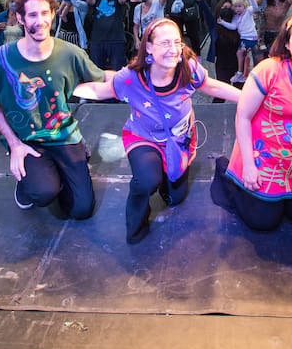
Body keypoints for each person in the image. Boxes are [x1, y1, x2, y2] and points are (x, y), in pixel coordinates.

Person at [74, 18, 239, 243]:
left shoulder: (187, 67)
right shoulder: (131, 77)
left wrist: (248, 97)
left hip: (179, 138)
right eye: (165, 43)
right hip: (144, 137)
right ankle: (135, 226)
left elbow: (210, 85)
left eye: (177, 42)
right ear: (149, 47)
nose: (173, 50)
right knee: (146, 180)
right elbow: (101, 90)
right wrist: (65, 89)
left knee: (175, 198)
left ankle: (167, 180)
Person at [0, 0, 111, 220]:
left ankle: (60, 166)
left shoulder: (70, 53)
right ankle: (29, 180)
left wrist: (137, 76)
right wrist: (14, 144)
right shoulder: (0, 59)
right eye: (32, 15)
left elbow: (101, 77)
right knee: (43, 192)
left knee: (81, 210)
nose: (40, 21)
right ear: (20, 18)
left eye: (44, 13)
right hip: (27, 140)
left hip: (63, 136)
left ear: (53, 14)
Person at [210, 12, 292, 231]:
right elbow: (243, 116)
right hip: (263, 158)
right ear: (287, 43)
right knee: (263, 222)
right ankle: (229, 174)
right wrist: (250, 166)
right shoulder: (269, 70)